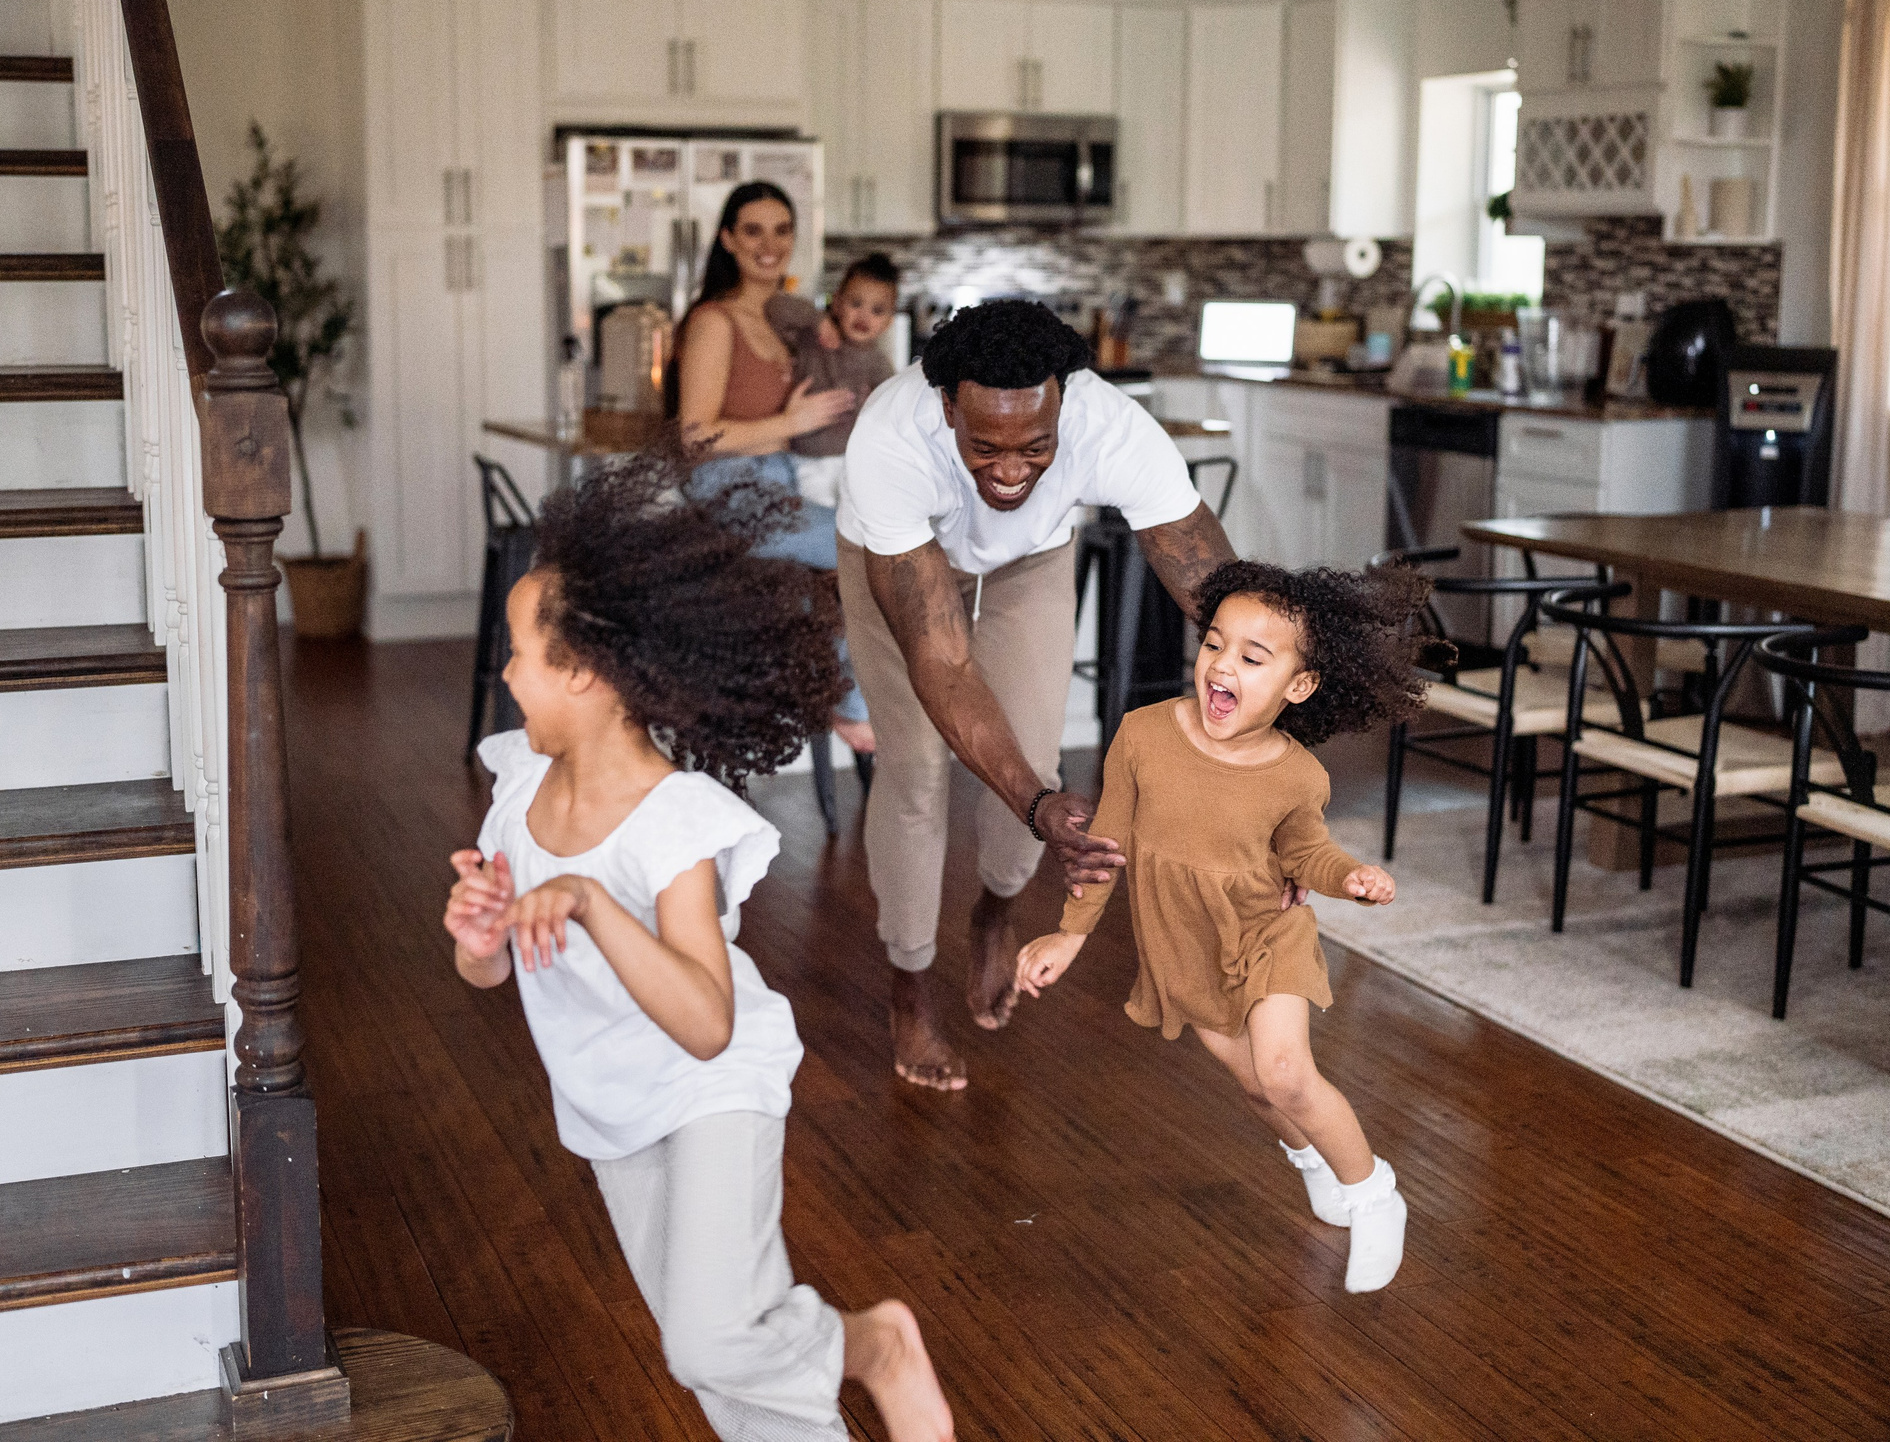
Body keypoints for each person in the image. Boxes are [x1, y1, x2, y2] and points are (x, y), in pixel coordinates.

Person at [441, 447, 952, 1442]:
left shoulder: (675, 825)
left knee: (709, 1344)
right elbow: (488, 965)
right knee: (721, 1351)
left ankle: (879, 1351)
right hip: (608, 1099)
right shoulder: (516, 790)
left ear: (584, 673)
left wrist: (593, 903)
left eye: (519, 653)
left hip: (710, 1088)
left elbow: (707, 1024)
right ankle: (869, 1345)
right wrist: (478, 936)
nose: (504, 673)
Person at [836, 297, 1236, 1091]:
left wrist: (1266, 691)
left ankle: (994, 906)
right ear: (947, 405)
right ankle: (910, 983)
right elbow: (944, 665)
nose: (1013, 469)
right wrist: (1036, 804)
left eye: (1036, 445)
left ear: (1064, 404)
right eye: (986, 445)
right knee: (915, 770)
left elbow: (1216, 591)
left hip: (1030, 564)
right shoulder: (890, 438)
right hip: (898, 555)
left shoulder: (1108, 422)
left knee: (1037, 758)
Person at [1014, 558, 1426, 1293]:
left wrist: (1350, 878)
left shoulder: (1297, 774)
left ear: (1298, 686)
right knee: (1259, 1089)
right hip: (1184, 947)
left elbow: (1308, 853)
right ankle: (1314, 1163)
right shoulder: (1142, 735)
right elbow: (1109, 845)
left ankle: (1374, 1192)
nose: (1221, 665)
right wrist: (1068, 934)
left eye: (1252, 656)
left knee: (1285, 1070)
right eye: (1214, 643)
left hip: (1268, 934)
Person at [675, 180, 872, 751]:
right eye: (754, 231)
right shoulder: (716, 321)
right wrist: (792, 422)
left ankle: (852, 697)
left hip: (783, 483)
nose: (771, 244)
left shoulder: (786, 320)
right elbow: (695, 437)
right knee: (865, 546)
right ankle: (853, 706)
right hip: (729, 488)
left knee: (870, 548)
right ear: (728, 241)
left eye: (782, 230)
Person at [769, 253, 900, 512]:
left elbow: (895, 412)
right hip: (808, 459)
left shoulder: (878, 363)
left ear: (887, 322)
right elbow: (774, 308)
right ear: (837, 303)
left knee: (857, 523)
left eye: (877, 310)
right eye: (856, 303)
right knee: (819, 519)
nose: (864, 315)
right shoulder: (813, 340)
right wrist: (818, 320)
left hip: (856, 460)